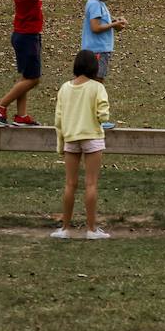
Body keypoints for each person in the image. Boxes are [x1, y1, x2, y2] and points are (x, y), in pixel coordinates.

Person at [51, 49, 112, 239]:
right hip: (92, 136)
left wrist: (60, 144)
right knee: (91, 184)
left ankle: (65, 228)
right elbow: (103, 114)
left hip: (70, 138)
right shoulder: (97, 87)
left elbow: (58, 119)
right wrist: (102, 116)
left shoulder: (65, 88)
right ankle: (92, 229)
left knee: (70, 184)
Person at [81, 0, 127, 82]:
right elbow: (95, 28)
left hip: (99, 49)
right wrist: (114, 24)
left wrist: (115, 21)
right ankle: (95, 99)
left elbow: (102, 21)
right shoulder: (95, 4)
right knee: (97, 80)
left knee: (95, 80)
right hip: (97, 50)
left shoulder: (99, 3)